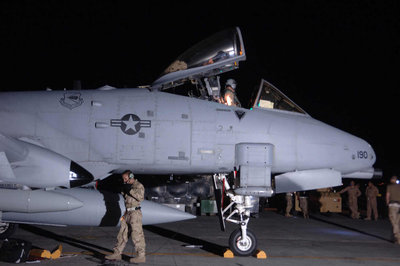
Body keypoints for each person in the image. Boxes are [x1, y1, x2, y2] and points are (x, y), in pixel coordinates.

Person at [105, 170, 146, 263]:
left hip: (135, 213)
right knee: (122, 233)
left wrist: (130, 190)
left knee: (137, 234)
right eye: (123, 178)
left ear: (131, 176)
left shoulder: (138, 185)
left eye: (125, 178)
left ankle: (141, 256)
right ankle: (117, 253)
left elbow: (140, 197)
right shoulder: (126, 186)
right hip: (127, 212)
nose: (124, 180)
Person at [386, 175, 400, 244]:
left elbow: (388, 195)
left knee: (393, 221)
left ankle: (398, 237)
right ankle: (397, 238)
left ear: (393, 180)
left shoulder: (390, 186)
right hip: (399, 205)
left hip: (392, 205)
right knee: (397, 222)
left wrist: (387, 203)